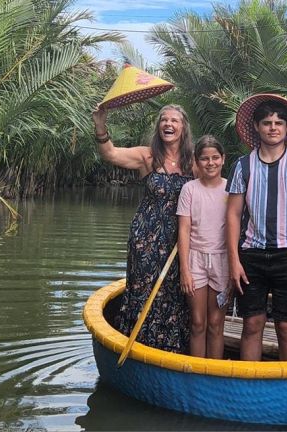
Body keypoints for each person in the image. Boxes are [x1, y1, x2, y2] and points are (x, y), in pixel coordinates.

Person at [92, 104, 194, 354]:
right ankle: (140, 346)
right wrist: (100, 125)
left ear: (183, 127)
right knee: (143, 289)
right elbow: (110, 154)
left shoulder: (193, 161)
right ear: (159, 127)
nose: (168, 124)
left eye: (174, 121)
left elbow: (213, 187)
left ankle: (172, 349)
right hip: (146, 239)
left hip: (181, 240)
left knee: (175, 293)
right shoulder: (146, 156)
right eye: (164, 120)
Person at [226, 94, 287, 361]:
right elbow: (233, 215)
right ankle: (249, 381)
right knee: (251, 324)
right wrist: (234, 261)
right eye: (267, 122)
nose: (273, 128)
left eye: (279, 123)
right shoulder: (242, 166)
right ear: (257, 127)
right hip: (251, 255)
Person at [176, 135, 230, 358]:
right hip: (195, 260)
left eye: (215, 158)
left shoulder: (231, 188)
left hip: (222, 260)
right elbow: (184, 230)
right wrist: (184, 270)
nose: (210, 163)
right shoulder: (189, 189)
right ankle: (196, 371)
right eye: (205, 159)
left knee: (216, 323)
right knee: (198, 322)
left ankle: (214, 371)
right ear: (197, 162)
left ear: (223, 159)